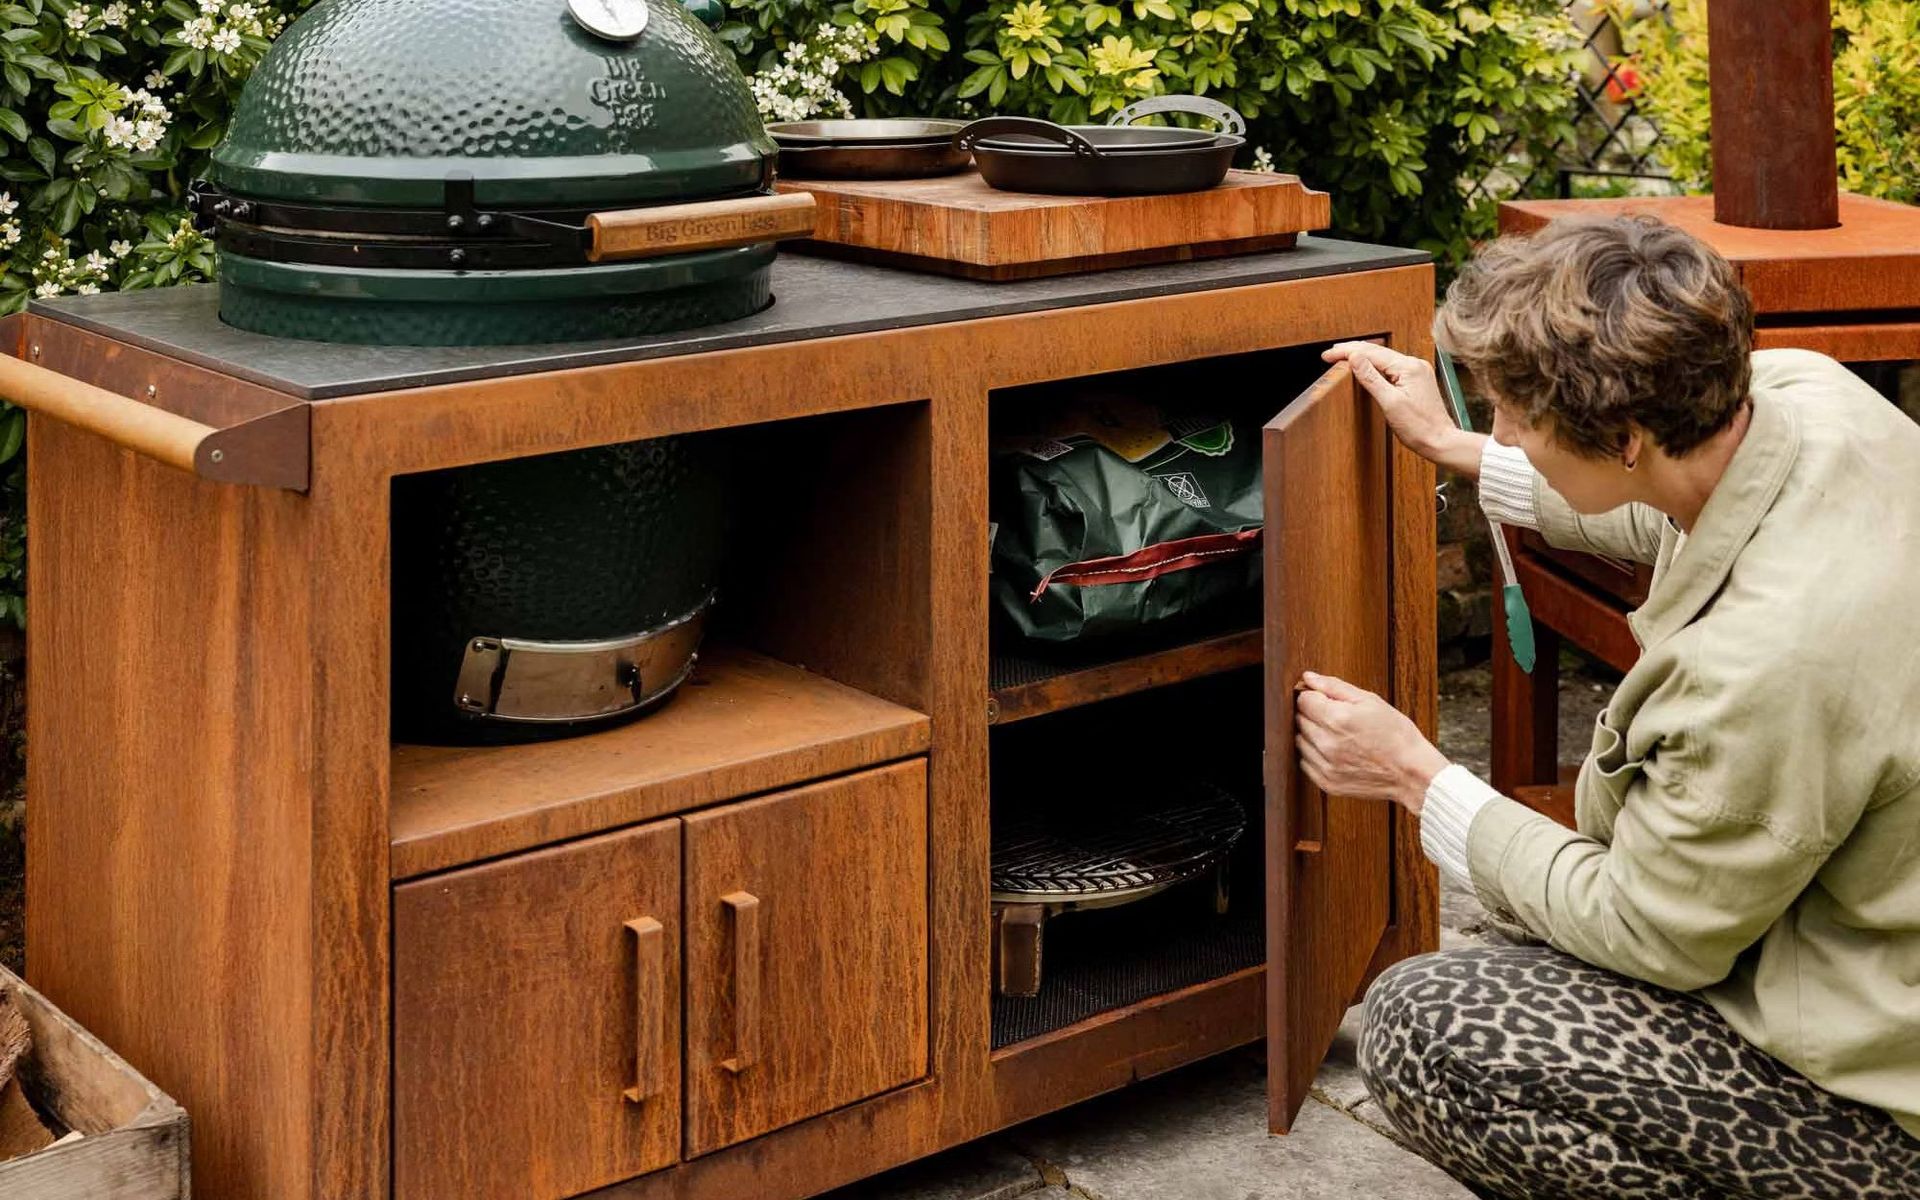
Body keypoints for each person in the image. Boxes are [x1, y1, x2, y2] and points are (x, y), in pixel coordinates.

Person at [1305, 215, 1920, 1199]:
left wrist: (1419, 780)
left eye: (1517, 418)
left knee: (1427, 1026)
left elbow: (1651, 934)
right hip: (1876, 928)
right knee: (1529, 905)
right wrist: (1462, 449)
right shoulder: (1803, 396)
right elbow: (1669, 503)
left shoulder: (1763, 667)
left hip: (1886, 1092)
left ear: (1625, 438)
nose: (1504, 430)